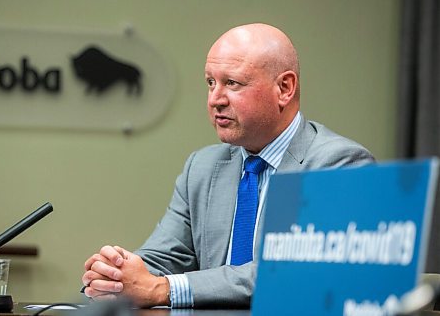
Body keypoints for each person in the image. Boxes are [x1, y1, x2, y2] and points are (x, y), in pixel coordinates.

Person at [81, 23, 374, 308]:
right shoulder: (203, 166)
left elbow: (288, 274)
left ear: (284, 88)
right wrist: (116, 275)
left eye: (232, 83)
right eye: (211, 82)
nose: (215, 99)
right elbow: (165, 255)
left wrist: (163, 289)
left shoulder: (338, 164)